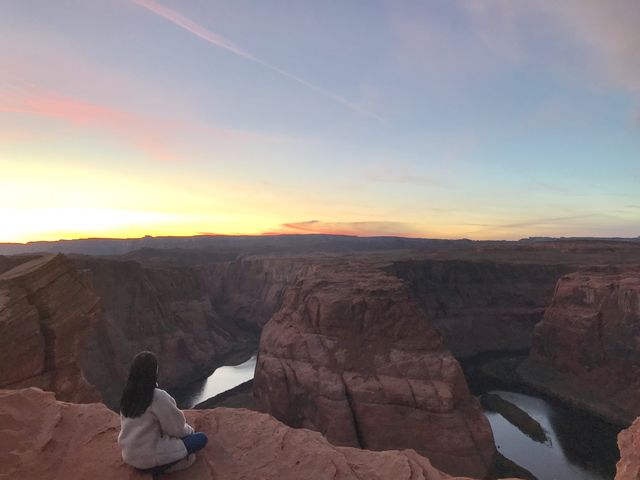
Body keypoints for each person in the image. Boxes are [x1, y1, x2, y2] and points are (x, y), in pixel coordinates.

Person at [118, 351, 208, 476]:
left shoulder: (128, 395)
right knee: (201, 439)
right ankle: (160, 468)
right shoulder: (157, 397)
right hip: (150, 456)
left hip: (129, 455)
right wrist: (190, 432)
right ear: (153, 373)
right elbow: (176, 429)